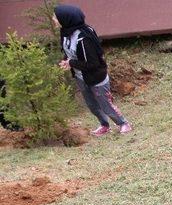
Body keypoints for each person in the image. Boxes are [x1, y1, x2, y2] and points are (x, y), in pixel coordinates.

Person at [53, 4, 132, 136]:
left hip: (96, 77)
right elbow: (68, 50)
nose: (54, 19)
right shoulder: (66, 32)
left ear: (66, 19)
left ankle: (123, 123)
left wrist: (71, 63)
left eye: (56, 17)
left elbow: (93, 63)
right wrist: (66, 60)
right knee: (92, 105)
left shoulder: (84, 38)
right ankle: (104, 125)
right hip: (81, 77)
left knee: (106, 105)